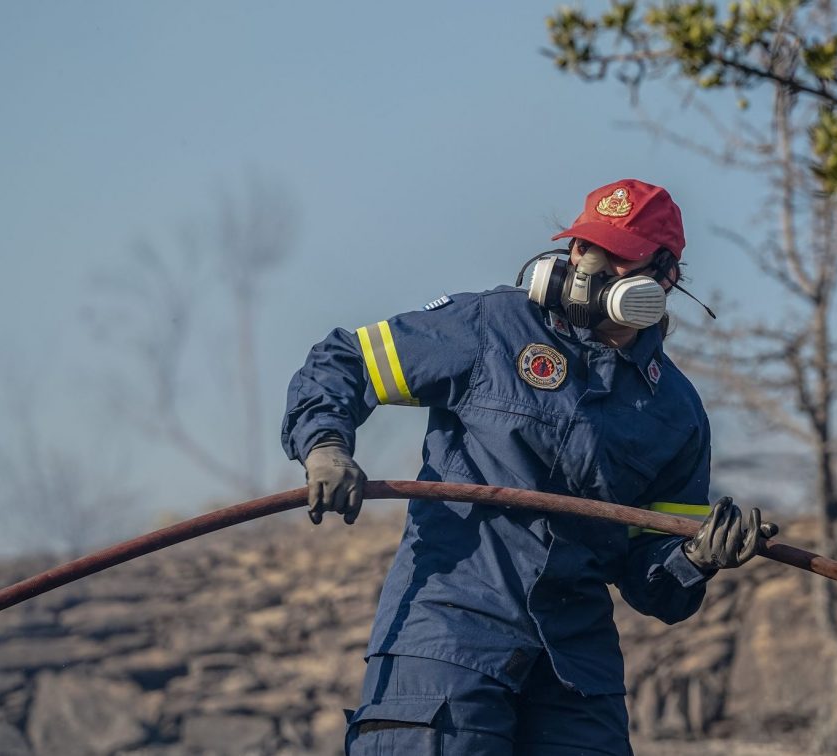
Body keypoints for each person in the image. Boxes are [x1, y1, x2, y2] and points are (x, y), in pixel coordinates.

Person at [280, 179, 776, 755]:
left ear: (664, 276)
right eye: (583, 246)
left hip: (577, 673)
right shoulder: (490, 326)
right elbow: (345, 360)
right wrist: (326, 445)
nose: (588, 266)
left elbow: (655, 586)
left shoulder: (676, 412)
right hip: (447, 640)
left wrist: (696, 557)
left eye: (616, 255)